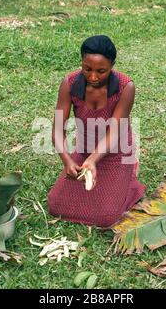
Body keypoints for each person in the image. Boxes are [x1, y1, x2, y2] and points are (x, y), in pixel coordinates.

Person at [47, 35, 146, 228]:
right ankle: (115, 182)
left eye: (101, 71)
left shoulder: (126, 87)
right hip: (84, 152)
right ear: (81, 63)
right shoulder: (70, 83)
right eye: (87, 69)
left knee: (106, 217)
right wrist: (67, 160)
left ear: (112, 66)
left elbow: (114, 132)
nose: (93, 77)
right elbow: (58, 128)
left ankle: (130, 182)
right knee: (56, 206)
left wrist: (93, 160)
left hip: (116, 153)